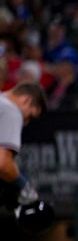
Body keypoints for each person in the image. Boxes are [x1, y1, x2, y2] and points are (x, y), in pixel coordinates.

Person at [0, 83, 45, 212]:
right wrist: (24, 185)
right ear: (27, 100)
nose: (26, 123)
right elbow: (2, 163)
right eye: (30, 117)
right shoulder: (11, 110)